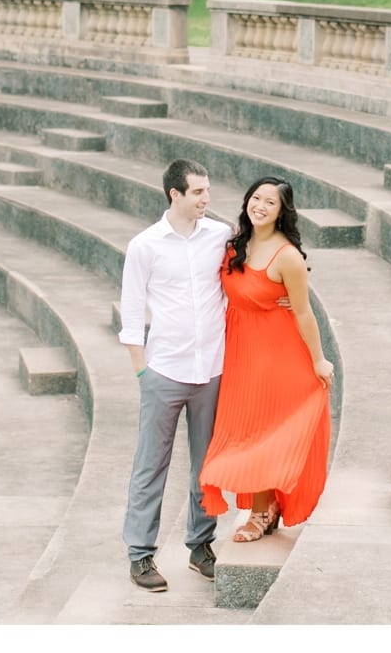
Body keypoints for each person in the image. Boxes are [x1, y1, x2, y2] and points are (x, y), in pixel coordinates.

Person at [199, 176, 333, 543]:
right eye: (256, 198)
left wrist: (319, 361)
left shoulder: (287, 256)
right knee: (246, 430)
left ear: (282, 212)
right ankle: (266, 505)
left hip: (278, 353)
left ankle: (260, 512)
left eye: (269, 202)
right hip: (241, 351)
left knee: (263, 431)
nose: (260, 206)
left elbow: (304, 313)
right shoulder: (233, 245)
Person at [119, 159, 230, 592]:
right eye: (198, 192)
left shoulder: (220, 236)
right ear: (175, 195)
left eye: (207, 190)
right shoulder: (145, 245)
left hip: (211, 371)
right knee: (151, 464)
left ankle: (200, 546)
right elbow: (131, 312)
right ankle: (140, 555)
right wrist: (141, 370)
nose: (207, 199)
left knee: (208, 465)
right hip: (164, 370)